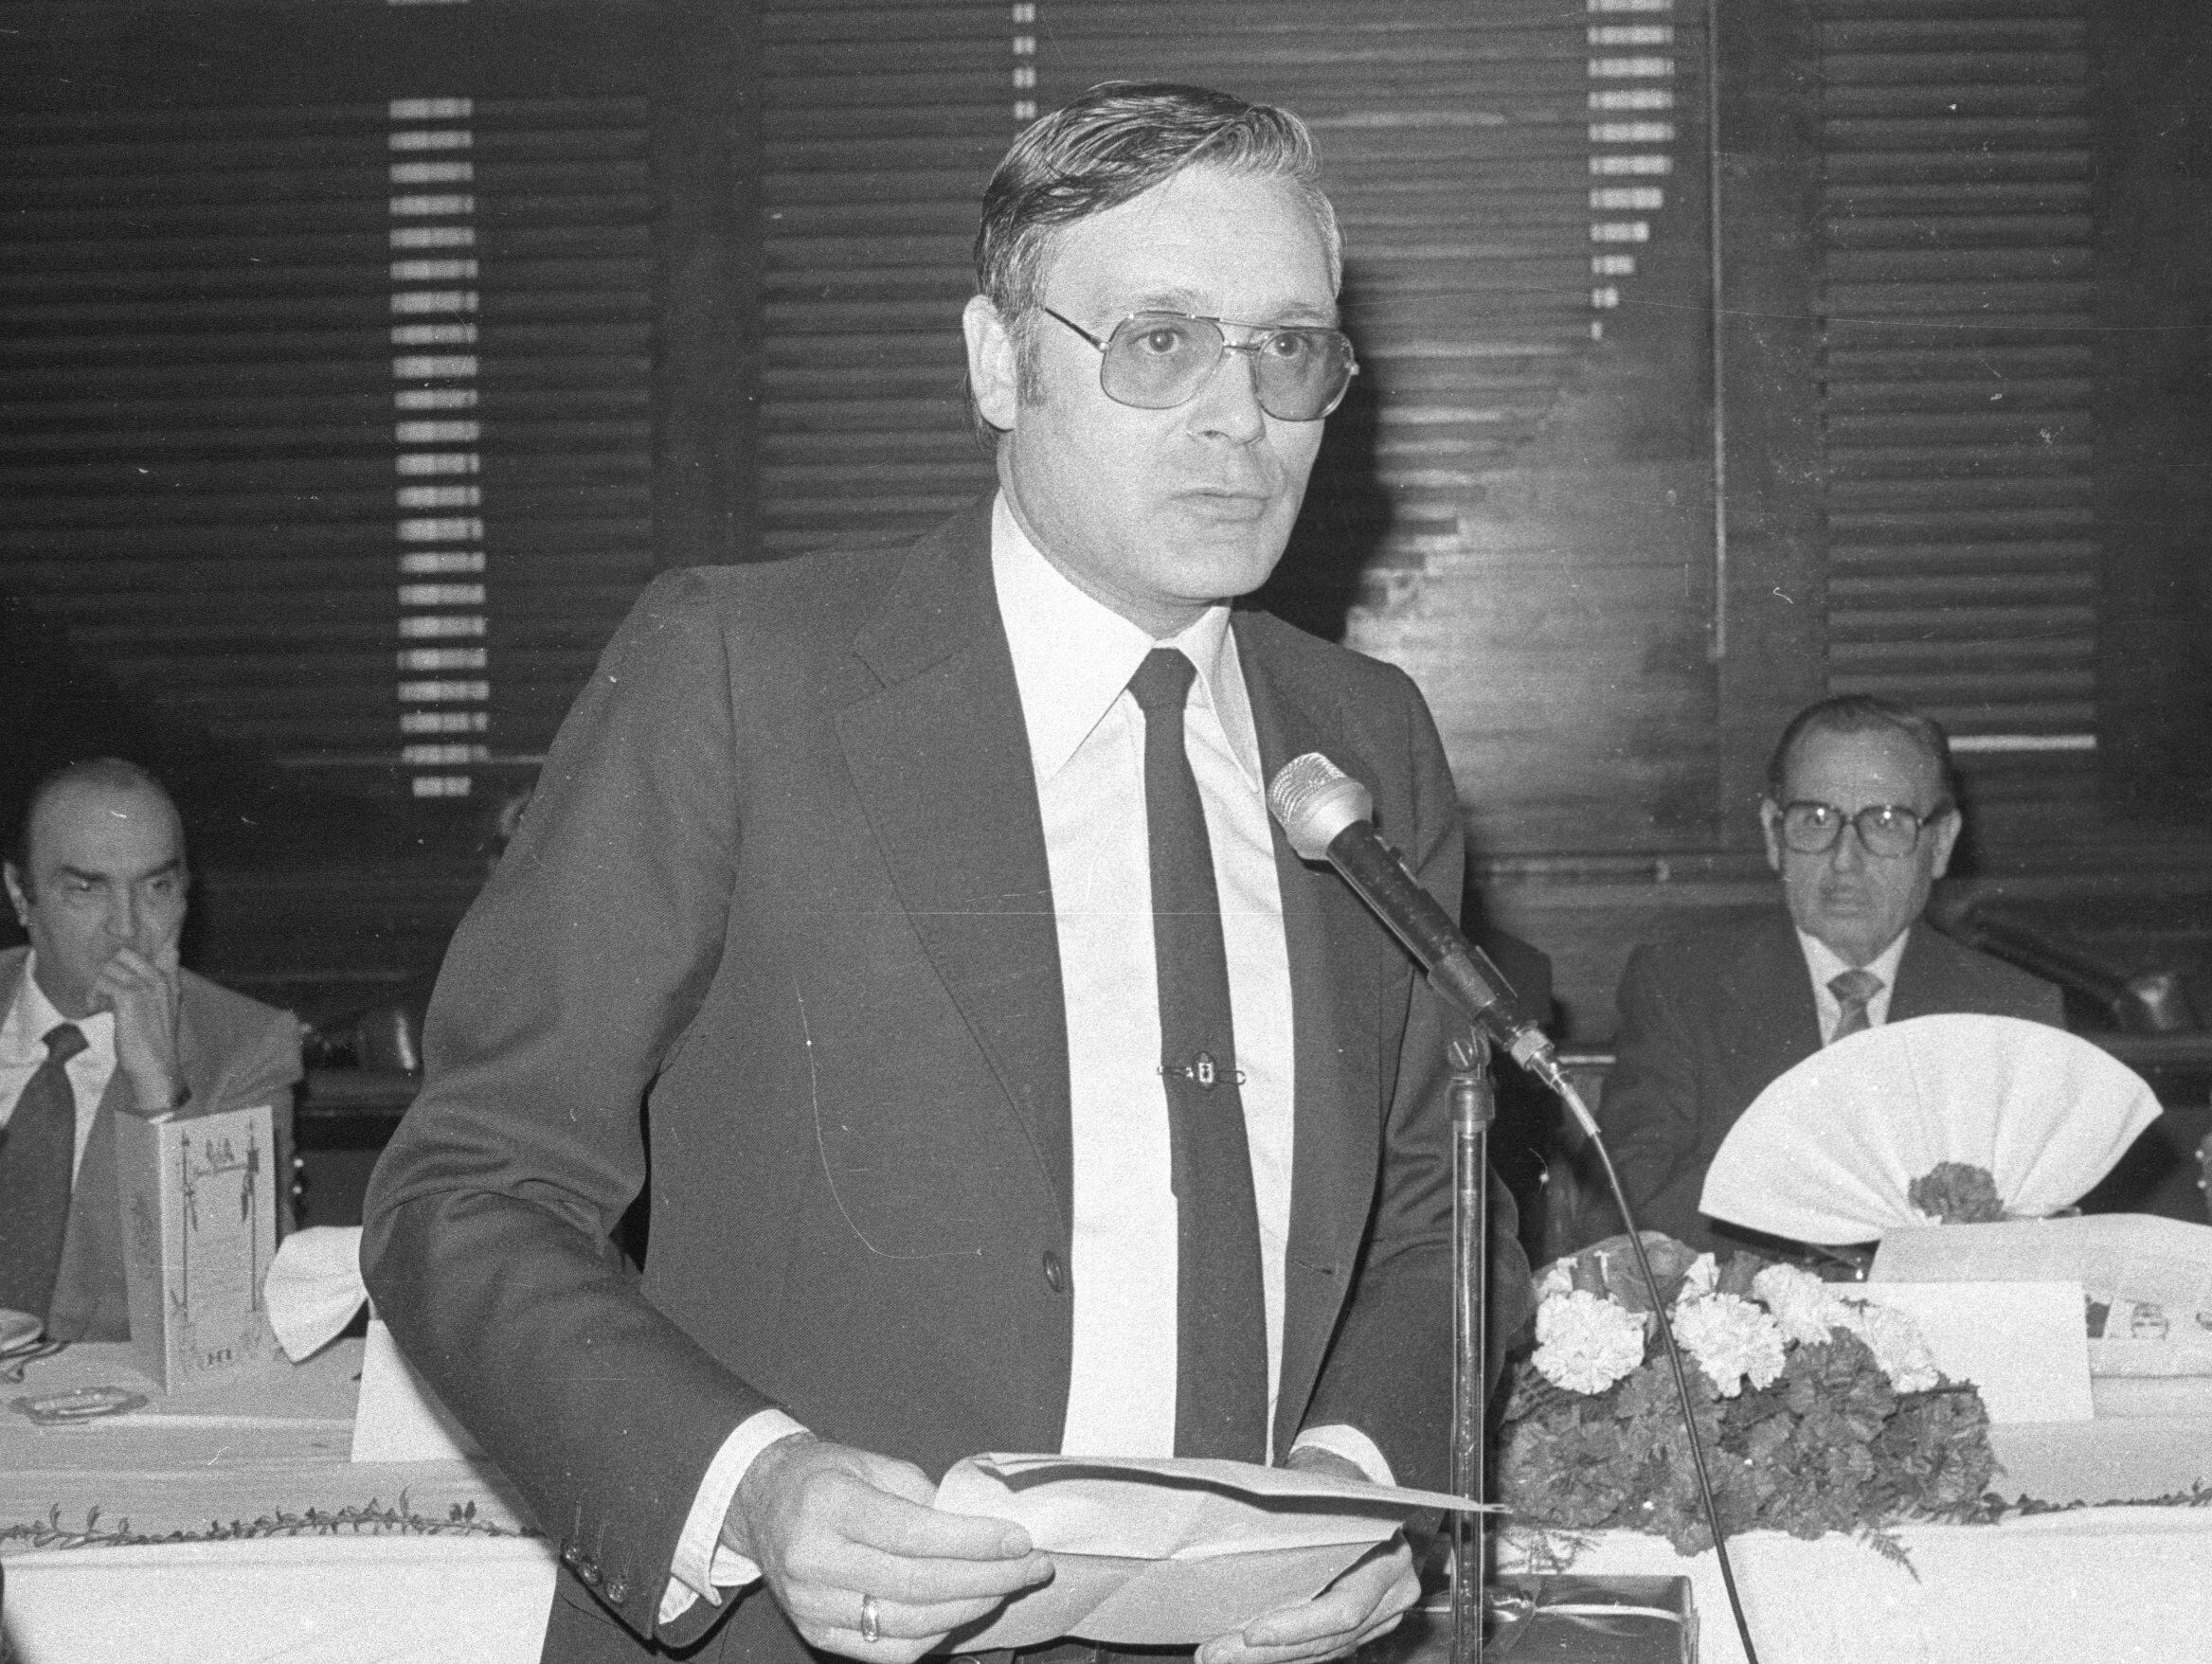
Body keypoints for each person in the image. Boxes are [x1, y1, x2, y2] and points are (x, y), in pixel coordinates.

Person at [363, 81, 1514, 1664]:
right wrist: (751, 1485)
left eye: (1289, 349)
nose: (1239, 417)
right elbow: (469, 1189)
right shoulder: (740, 675)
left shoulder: (1365, 731)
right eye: (1161, 342)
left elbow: (1438, 1209)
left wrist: (1367, 1481)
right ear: (999, 361)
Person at [1581, 694, 2064, 1253]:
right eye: (1816, 819)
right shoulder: (1683, 988)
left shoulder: (2011, 1012)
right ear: (1771, 833)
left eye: (1885, 822)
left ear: (1940, 842)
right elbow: (1624, 1206)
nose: (1844, 859)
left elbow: (2040, 1237)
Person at [0, 758, 300, 1342]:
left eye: (156, 887)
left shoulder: (245, 1047)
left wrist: (160, 1089)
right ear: (20, 894)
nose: (127, 928)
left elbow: (229, 1312)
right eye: (86, 889)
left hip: (109, 1413)